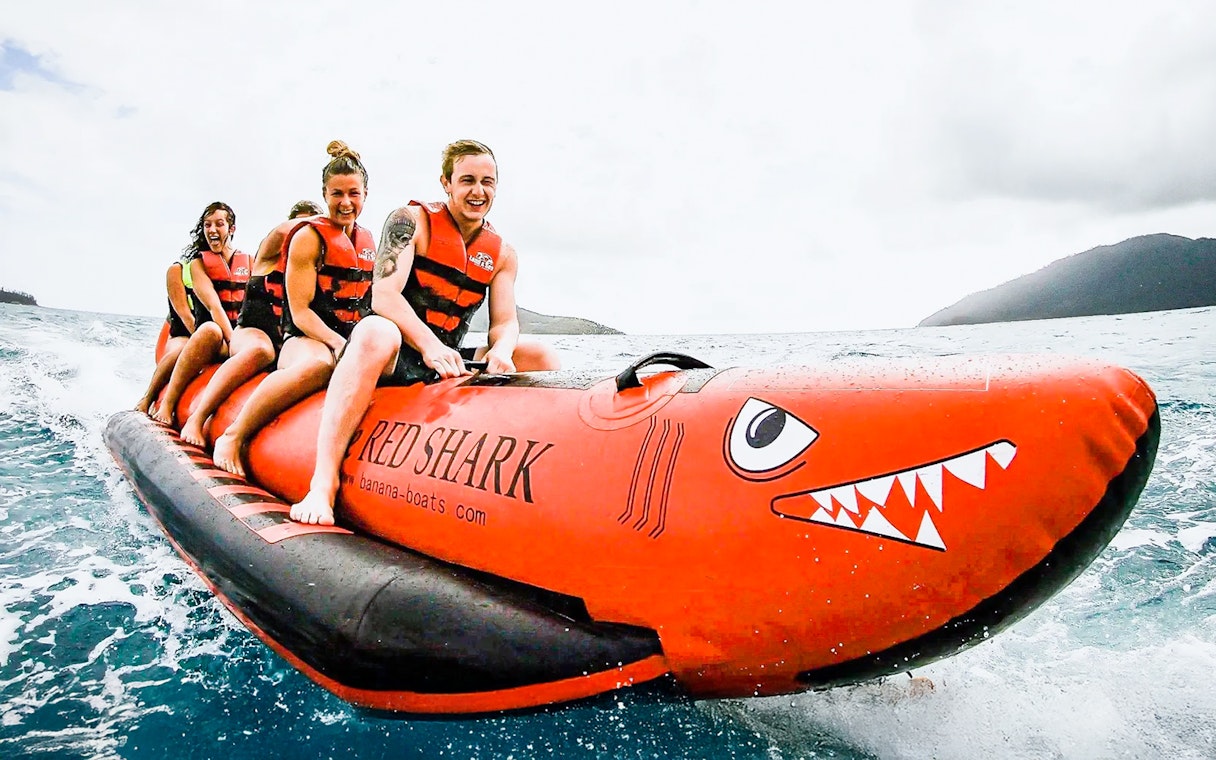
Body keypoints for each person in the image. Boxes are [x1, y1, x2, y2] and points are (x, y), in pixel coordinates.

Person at [290, 139, 560, 525]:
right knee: (375, 331)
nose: (478, 191)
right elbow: (383, 295)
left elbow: (504, 322)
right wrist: (430, 346)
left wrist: (500, 349)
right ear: (446, 183)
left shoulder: (502, 253)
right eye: (467, 180)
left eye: (488, 182)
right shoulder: (409, 222)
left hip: (446, 360)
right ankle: (323, 482)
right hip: (397, 354)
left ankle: (543, 480)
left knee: (540, 356)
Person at [212, 142, 375, 476]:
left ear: (365, 194)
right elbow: (300, 312)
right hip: (303, 339)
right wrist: (338, 343)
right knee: (319, 365)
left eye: (353, 193)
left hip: (347, 339)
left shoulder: (368, 242)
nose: (345, 202)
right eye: (336, 193)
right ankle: (234, 434)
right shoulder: (308, 238)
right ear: (324, 194)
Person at [178, 200, 324, 446]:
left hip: (286, 343)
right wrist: (327, 221)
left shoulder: (318, 270)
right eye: (301, 227)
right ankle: (198, 417)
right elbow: (213, 306)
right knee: (261, 351)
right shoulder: (268, 253)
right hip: (250, 333)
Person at [146, 202, 249, 426]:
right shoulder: (187, 268)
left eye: (219, 224)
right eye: (207, 225)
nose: (212, 229)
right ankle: (151, 399)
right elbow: (195, 312)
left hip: (232, 334)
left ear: (231, 229)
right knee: (186, 346)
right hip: (191, 332)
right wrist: (205, 343)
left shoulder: (247, 263)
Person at [134, 251, 200, 414]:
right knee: (180, 350)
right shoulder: (177, 270)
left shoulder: (234, 269)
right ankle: (148, 398)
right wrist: (201, 341)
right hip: (184, 334)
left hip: (216, 336)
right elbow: (184, 314)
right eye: (208, 225)